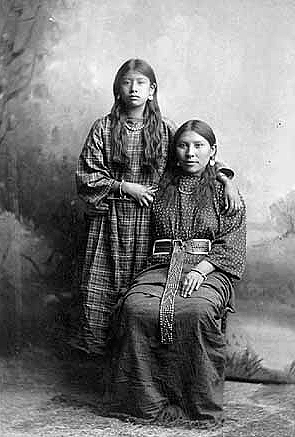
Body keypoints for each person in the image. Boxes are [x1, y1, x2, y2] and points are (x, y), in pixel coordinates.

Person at [75, 59, 240, 357]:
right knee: (99, 294)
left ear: (152, 90)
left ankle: (145, 367)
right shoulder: (103, 127)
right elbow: (87, 175)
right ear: (118, 89)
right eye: (127, 82)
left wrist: (227, 181)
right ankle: (108, 376)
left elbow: (199, 158)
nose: (133, 88)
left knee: (143, 301)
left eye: (140, 83)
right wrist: (124, 187)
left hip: (153, 226)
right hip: (111, 223)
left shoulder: (165, 130)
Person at [106, 120, 246, 426]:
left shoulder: (226, 193)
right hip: (160, 267)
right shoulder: (162, 183)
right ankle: (146, 403)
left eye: (199, 146)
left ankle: (195, 404)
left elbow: (232, 245)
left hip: (210, 268)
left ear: (213, 151)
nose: (190, 153)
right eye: (183, 145)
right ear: (175, 150)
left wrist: (201, 270)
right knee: (134, 308)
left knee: (196, 311)